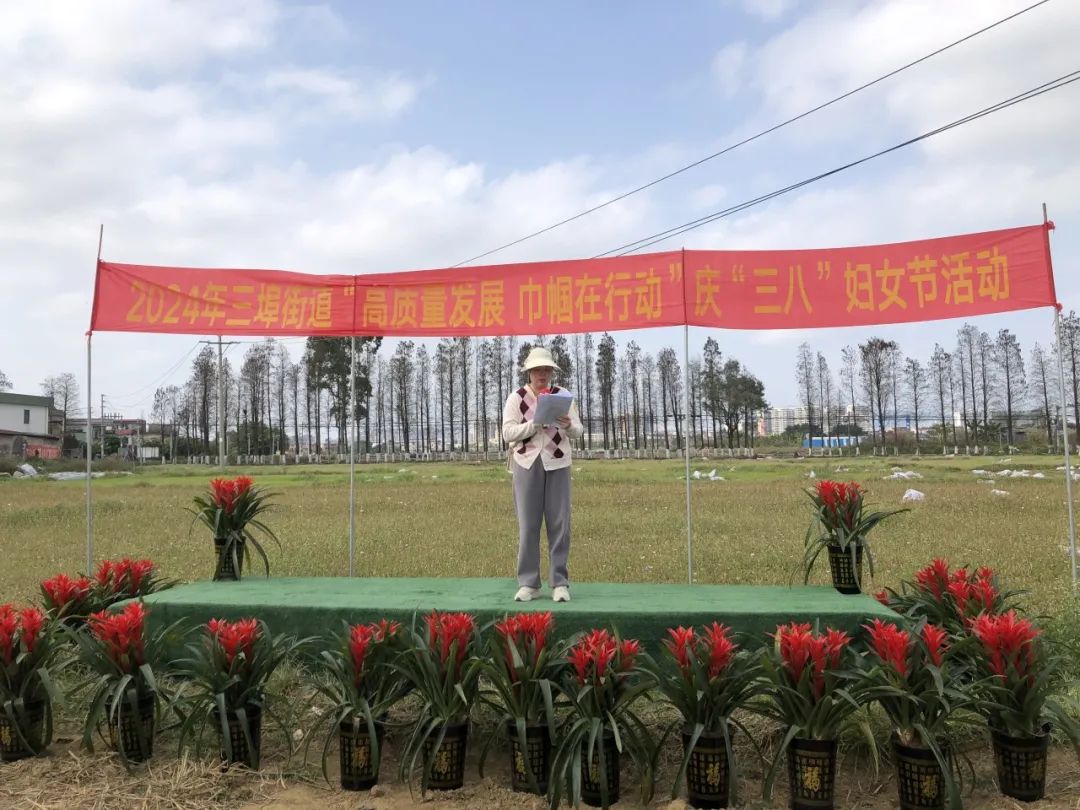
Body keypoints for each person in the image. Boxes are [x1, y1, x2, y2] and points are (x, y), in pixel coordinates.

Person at [502, 347, 584, 602]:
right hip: (526, 463)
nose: (542, 374)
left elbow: (578, 430)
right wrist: (534, 424)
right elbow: (507, 433)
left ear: (552, 373)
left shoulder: (563, 397)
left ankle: (559, 582)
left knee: (560, 524)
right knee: (528, 524)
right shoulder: (517, 398)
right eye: (537, 370)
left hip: (558, 462)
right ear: (529, 372)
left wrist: (568, 425)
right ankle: (529, 583)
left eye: (546, 370)